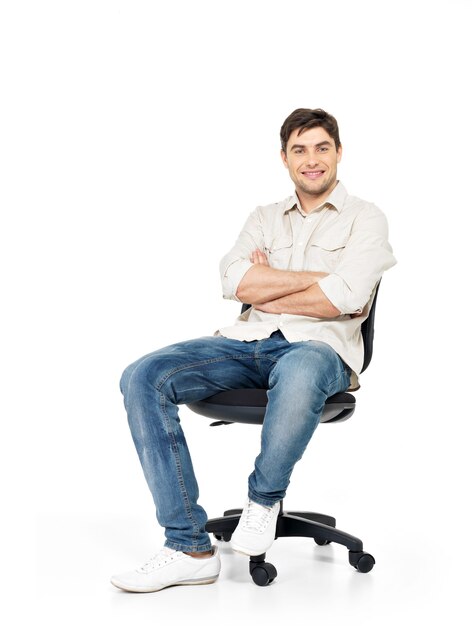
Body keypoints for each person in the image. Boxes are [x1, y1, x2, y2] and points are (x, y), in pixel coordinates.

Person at [111, 108, 396, 593]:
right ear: (284, 158)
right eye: (299, 150)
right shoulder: (263, 217)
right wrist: (316, 284)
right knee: (144, 376)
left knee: (302, 366)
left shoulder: (365, 218)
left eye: (322, 148)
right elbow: (232, 280)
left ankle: (262, 502)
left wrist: (268, 286)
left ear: (339, 153)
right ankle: (189, 546)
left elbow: (347, 298)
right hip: (248, 343)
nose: (312, 160)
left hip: (319, 350)